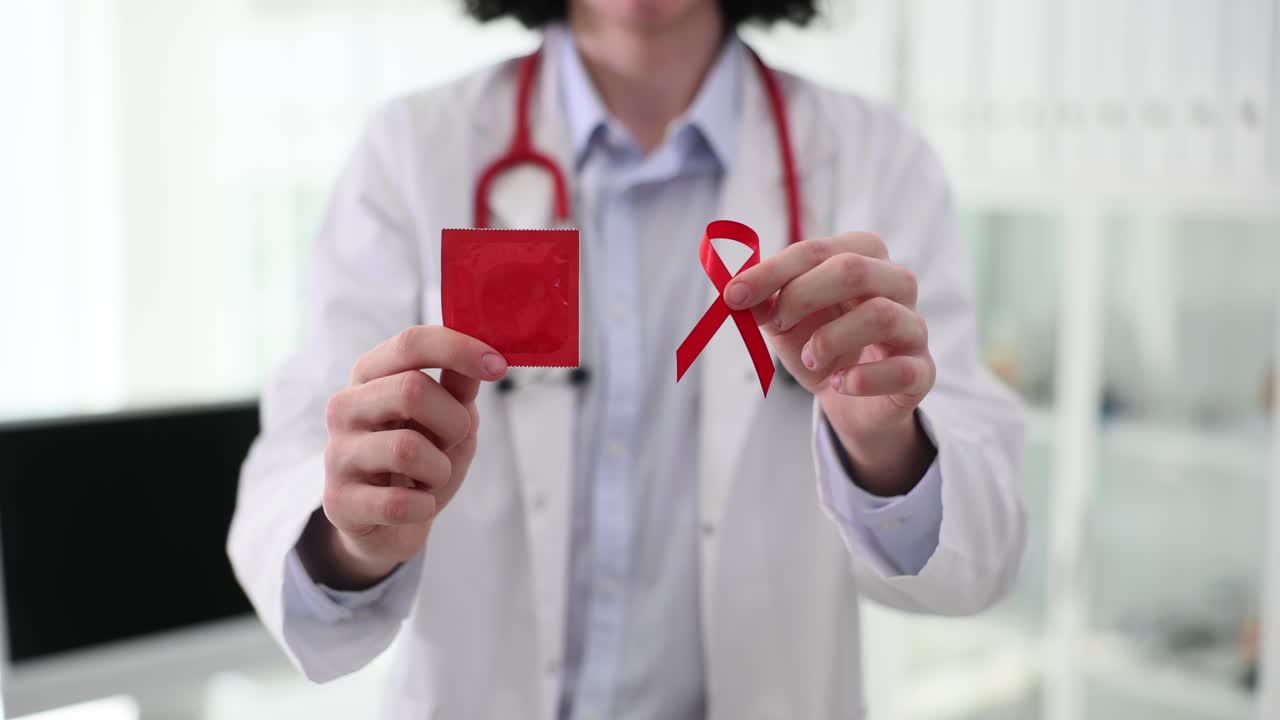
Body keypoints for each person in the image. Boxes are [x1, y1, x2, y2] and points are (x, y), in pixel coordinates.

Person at [228, 0, 1028, 717]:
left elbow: (982, 551)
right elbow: (290, 477)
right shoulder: (412, 151)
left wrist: (882, 444)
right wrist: (361, 532)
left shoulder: (876, 160)